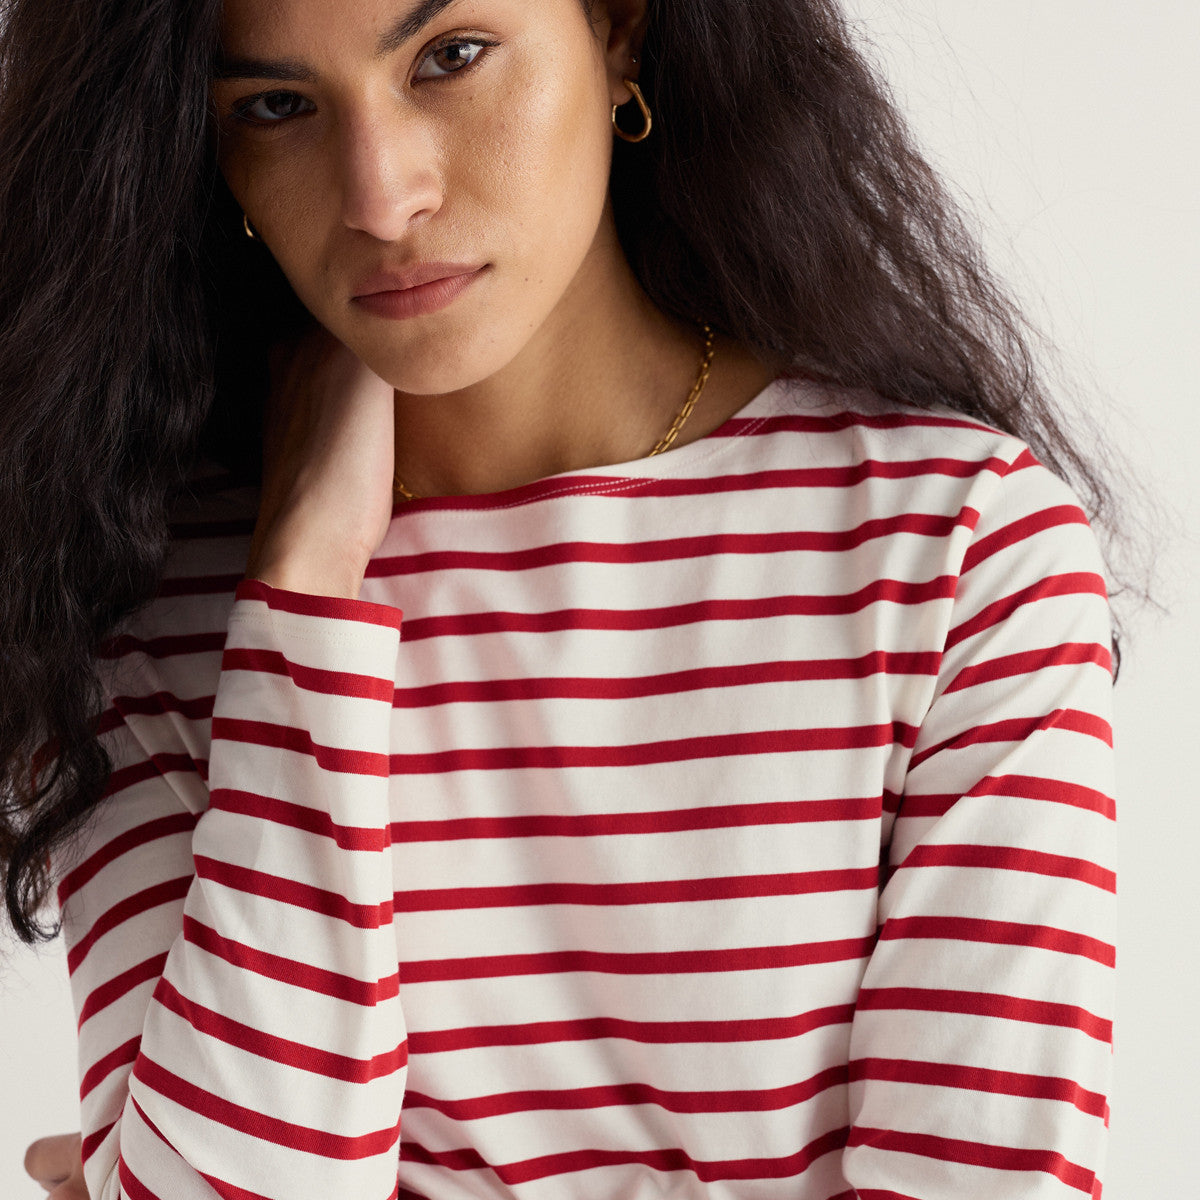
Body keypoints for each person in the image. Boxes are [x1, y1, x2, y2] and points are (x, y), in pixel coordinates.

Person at [2, 0, 1119, 1197]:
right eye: (276, 106)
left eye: (451, 57)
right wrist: (304, 601)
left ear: (620, 32)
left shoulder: (956, 552)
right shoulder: (135, 607)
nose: (383, 198)